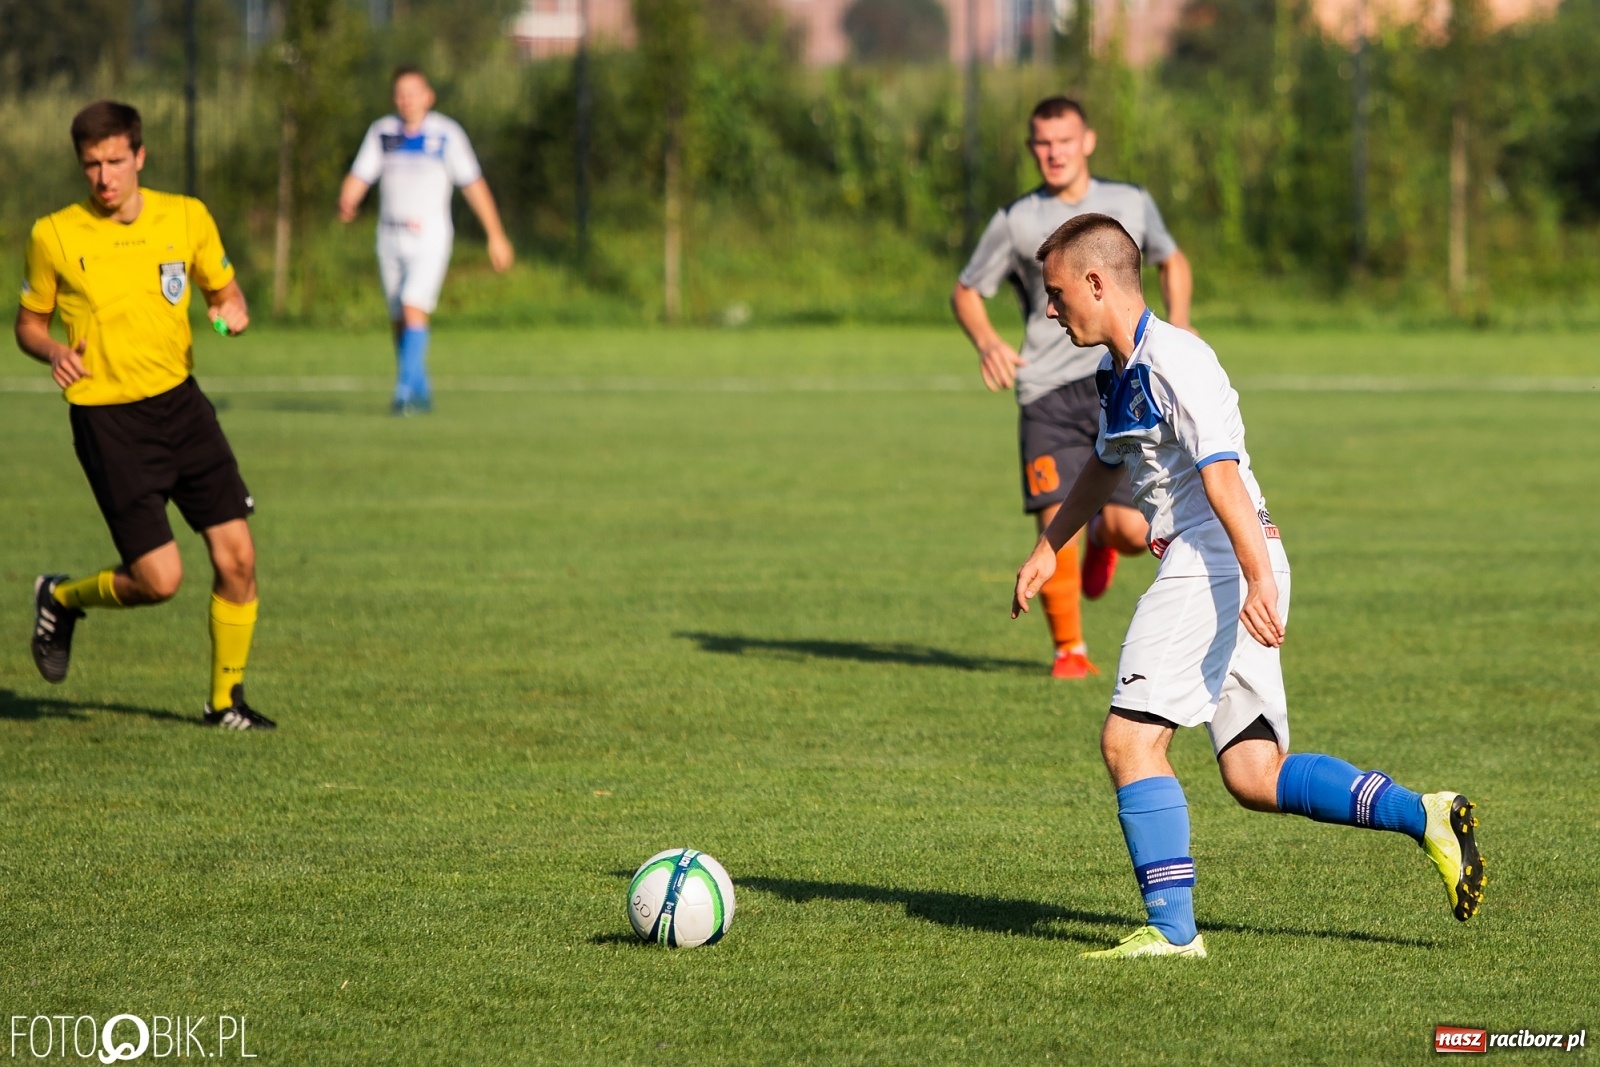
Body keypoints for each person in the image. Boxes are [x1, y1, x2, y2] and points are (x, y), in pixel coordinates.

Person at [1011, 214, 1485, 959]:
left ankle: (1173, 933)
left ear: (1097, 283)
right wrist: (1049, 545)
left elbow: (1222, 474)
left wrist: (1255, 577)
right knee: (1254, 772)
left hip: (1216, 560)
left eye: (1056, 291)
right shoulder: (1119, 371)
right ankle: (1423, 813)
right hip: (1227, 560)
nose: (1048, 307)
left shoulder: (1178, 361)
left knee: (1129, 741)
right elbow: (1106, 462)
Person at [17, 100, 273, 729]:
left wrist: (233, 310)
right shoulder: (53, 234)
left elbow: (223, 290)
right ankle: (61, 597)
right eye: (90, 166)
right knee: (159, 581)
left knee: (238, 558)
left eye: (114, 162)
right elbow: (28, 325)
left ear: (139, 156)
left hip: (181, 407)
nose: (103, 178)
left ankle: (225, 705)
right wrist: (52, 350)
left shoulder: (185, 217)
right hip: (108, 421)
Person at [954, 96, 1194, 679]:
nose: (1053, 152)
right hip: (1045, 390)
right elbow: (967, 290)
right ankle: (1070, 651)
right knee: (1051, 514)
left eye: (1064, 140)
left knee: (1132, 529)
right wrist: (987, 340)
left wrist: (1179, 327)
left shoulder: (1130, 203)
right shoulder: (1015, 220)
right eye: (1042, 142)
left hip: (1119, 377)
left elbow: (1172, 259)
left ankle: (1104, 543)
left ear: (1087, 140)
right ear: (1032, 147)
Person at [339, 66, 514, 415]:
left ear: (428, 96)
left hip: (430, 235)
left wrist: (496, 236)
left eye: (413, 92)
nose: (406, 99)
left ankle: (404, 389)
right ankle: (418, 387)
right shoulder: (383, 133)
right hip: (389, 234)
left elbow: (474, 186)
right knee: (398, 318)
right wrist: (348, 199)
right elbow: (361, 174)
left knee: (412, 303)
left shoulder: (446, 135)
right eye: (400, 93)